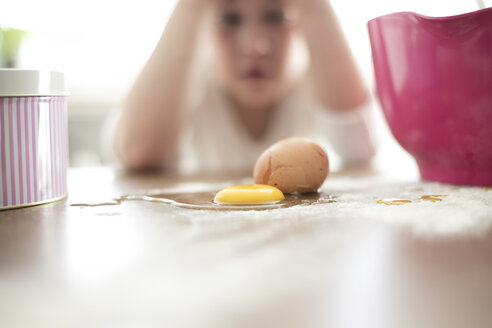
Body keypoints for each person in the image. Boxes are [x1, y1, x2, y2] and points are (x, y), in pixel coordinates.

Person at [114, 0, 377, 175]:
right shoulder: (186, 87)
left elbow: (361, 146)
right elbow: (139, 154)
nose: (256, 47)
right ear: (201, 30)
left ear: (300, 25)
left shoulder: (316, 81)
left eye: (276, 17)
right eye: (229, 20)